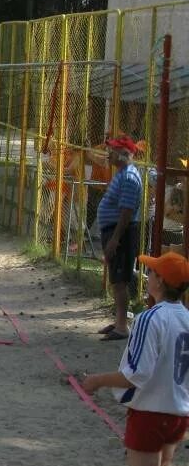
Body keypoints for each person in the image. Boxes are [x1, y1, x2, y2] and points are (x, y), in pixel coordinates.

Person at [80, 252, 189, 466]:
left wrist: (97, 380)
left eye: (153, 271)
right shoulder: (185, 316)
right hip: (178, 412)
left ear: (161, 282)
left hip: (150, 412)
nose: (148, 275)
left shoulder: (150, 318)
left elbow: (135, 374)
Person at [95, 135, 143, 341]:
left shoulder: (129, 177)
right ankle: (119, 321)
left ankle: (122, 327)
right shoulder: (122, 173)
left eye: (112, 151)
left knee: (120, 280)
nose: (108, 154)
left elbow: (126, 211)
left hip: (121, 233)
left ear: (124, 154)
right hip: (114, 231)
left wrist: (115, 239)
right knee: (116, 279)